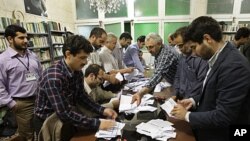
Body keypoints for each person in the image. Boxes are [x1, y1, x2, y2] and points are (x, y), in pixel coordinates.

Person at [171, 16, 250, 141]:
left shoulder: (233, 66)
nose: (194, 53)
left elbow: (224, 116)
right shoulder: (218, 57)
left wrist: (187, 115)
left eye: (194, 47)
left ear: (207, 39)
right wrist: (193, 100)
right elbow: (214, 90)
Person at [33, 35, 117, 138]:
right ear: (68, 54)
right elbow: (64, 113)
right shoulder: (53, 78)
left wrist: (102, 110)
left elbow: (82, 97)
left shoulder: (77, 72)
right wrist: (98, 123)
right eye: (82, 57)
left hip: (64, 118)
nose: (85, 62)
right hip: (48, 123)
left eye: (86, 57)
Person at [0, 24, 42, 141]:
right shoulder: (3, 60)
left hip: (39, 99)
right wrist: (11, 103)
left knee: (41, 130)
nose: (26, 41)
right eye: (21, 38)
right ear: (10, 39)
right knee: (28, 136)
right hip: (22, 103)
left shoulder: (32, 55)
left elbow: (41, 74)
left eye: (26, 37)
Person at [131, 33, 179, 105]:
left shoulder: (166, 54)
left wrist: (141, 93)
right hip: (175, 83)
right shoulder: (159, 52)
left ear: (159, 43)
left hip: (181, 86)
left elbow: (158, 74)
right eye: (147, 47)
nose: (149, 50)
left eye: (151, 47)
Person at [173, 26, 208, 99]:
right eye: (178, 46)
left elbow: (200, 84)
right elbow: (177, 76)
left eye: (181, 45)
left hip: (191, 101)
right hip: (180, 98)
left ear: (190, 41)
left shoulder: (201, 59)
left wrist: (188, 100)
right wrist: (175, 93)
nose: (180, 49)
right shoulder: (182, 56)